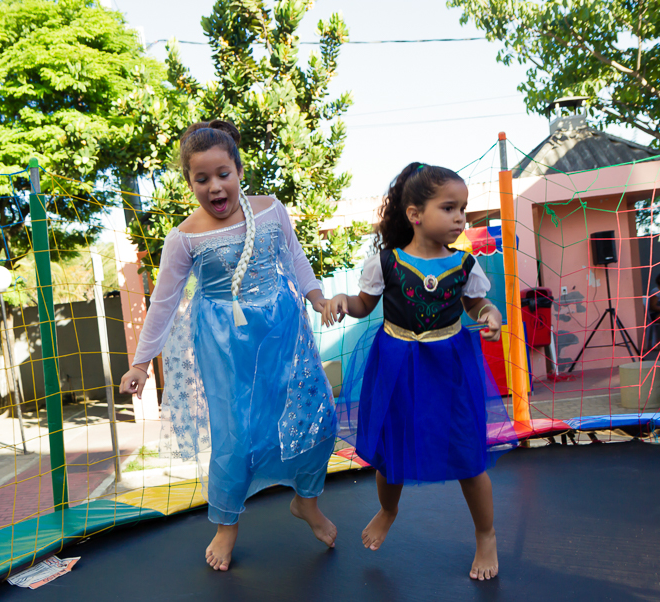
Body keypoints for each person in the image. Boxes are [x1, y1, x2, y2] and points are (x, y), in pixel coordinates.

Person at [119, 120, 338, 572]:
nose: (215, 186)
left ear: (239, 171)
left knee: (315, 414)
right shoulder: (184, 237)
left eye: (223, 174)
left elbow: (295, 257)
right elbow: (163, 302)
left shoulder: (271, 209)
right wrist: (141, 363)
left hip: (282, 328)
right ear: (190, 183)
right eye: (202, 179)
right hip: (224, 342)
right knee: (237, 434)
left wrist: (317, 298)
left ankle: (307, 500)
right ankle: (226, 525)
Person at [323, 162, 517, 580]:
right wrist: (342, 301)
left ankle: (486, 534)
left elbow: (476, 305)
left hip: (449, 369)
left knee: (468, 454)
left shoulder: (464, 265)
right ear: (415, 214)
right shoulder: (387, 263)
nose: (460, 217)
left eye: (462, 208)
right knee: (390, 453)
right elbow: (363, 305)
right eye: (449, 208)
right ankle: (388, 509)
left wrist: (491, 313)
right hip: (396, 367)